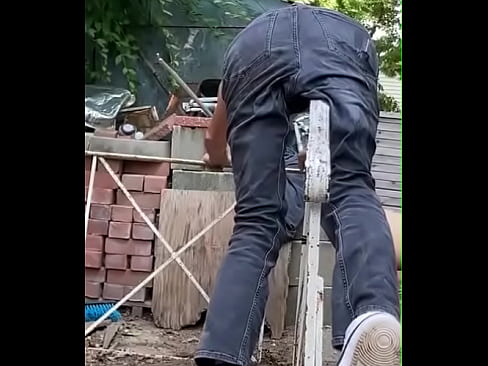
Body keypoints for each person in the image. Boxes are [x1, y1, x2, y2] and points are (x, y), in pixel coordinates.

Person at [195, 3, 400, 366]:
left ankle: (222, 355)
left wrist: (219, 158)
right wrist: (323, 155)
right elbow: (331, 150)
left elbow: (214, 141)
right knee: (350, 188)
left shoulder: (246, 45)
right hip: (344, 43)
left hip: (253, 49)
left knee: (256, 223)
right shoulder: (341, 32)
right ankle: (371, 316)